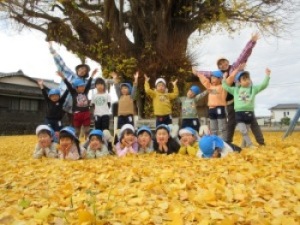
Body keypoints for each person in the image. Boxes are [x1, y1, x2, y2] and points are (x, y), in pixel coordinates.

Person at [193, 32, 265, 145]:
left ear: (228, 62)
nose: (223, 65)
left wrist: (252, 42)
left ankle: (261, 142)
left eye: (224, 62)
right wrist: (196, 72)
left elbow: (244, 55)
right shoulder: (217, 75)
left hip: (242, 98)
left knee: (252, 121)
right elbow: (206, 74)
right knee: (231, 121)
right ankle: (227, 141)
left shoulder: (234, 68)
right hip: (229, 102)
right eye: (220, 64)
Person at [222, 67, 271, 148]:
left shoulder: (253, 89)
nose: (247, 80)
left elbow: (263, 85)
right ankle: (250, 144)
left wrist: (267, 75)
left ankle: (244, 145)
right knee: (243, 130)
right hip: (239, 114)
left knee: (246, 131)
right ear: (239, 82)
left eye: (248, 78)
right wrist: (224, 78)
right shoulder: (235, 90)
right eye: (244, 79)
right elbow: (225, 86)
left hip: (249, 113)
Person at [49, 42, 92, 125]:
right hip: (60, 101)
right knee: (54, 120)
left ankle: (73, 136)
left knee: (74, 124)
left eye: (85, 71)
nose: (82, 71)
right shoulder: (69, 73)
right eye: (81, 69)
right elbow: (62, 64)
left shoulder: (85, 82)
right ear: (78, 69)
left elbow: (97, 82)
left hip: (73, 106)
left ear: (86, 73)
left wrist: (112, 79)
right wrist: (52, 50)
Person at [56, 69, 97, 139]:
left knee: (87, 130)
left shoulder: (85, 92)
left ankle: (87, 143)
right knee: (76, 131)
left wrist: (92, 75)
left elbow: (89, 83)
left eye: (83, 86)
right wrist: (63, 77)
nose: (83, 88)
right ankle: (76, 142)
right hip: (77, 114)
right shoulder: (73, 93)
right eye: (81, 86)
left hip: (86, 113)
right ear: (76, 88)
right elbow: (68, 84)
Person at [197, 71, 227, 139]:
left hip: (220, 107)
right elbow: (205, 81)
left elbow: (227, 82)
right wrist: (199, 74)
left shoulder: (223, 87)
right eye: (211, 78)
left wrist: (224, 78)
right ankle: (214, 140)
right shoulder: (210, 87)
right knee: (213, 127)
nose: (212, 79)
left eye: (214, 78)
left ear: (220, 79)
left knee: (222, 126)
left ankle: (224, 141)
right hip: (211, 109)